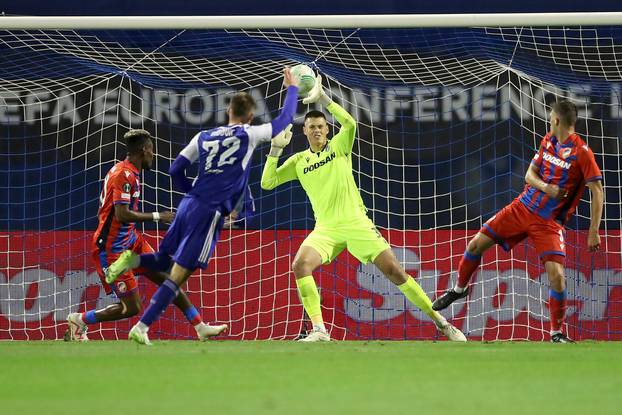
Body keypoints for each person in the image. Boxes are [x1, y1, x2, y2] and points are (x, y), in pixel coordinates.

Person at [260, 73, 467, 342]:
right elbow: (267, 182)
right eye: (312, 127)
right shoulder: (299, 161)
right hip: (326, 229)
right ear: (305, 131)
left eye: (321, 126)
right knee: (300, 265)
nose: (318, 130)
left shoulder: (339, 147)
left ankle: (441, 323)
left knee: (395, 272)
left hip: (357, 223)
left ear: (327, 129)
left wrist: (322, 97)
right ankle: (320, 330)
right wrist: (276, 149)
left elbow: (350, 123)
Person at [105, 68, 300, 345]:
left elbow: (175, 170)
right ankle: (142, 326)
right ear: (249, 116)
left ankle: (131, 260)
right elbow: (284, 120)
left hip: (187, 205)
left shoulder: (203, 136)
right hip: (208, 212)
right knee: (177, 276)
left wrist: (193, 193)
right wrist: (292, 88)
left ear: (228, 112)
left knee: (162, 261)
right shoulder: (250, 134)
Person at [432, 100, 604, 343]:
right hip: (521, 208)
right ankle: (458, 289)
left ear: (556, 120)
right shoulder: (548, 141)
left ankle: (556, 333)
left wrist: (593, 231)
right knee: (475, 245)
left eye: (550, 117)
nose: (549, 121)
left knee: (557, 277)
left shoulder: (582, 153)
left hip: (548, 222)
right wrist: (546, 187)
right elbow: (528, 176)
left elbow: (597, 190)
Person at [65, 129, 226, 342]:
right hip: (111, 249)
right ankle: (80, 319)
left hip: (131, 241)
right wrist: (159, 216)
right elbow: (121, 214)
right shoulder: (123, 174)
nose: (153, 155)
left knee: (170, 279)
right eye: (151, 150)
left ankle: (200, 326)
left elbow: (114, 213)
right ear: (143, 150)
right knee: (131, 308)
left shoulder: (130, 172)